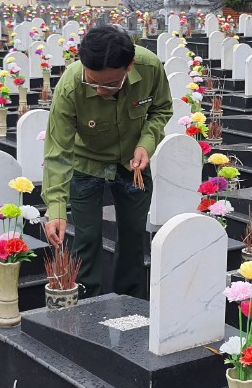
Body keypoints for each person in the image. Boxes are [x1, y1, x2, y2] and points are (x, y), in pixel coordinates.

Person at [42, 25, 172, 298]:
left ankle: (130, 302)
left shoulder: (149, 68)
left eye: (111, 84)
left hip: (132, 165)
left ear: (129, 66)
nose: (101, 91)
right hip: (86, 163)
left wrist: (146, 143)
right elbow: (58, 151)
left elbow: (161, 108)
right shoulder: (70, 86)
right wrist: (56, 208)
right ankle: (89, 302)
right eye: (93, 83)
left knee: (133, 236)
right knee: (86, 239)